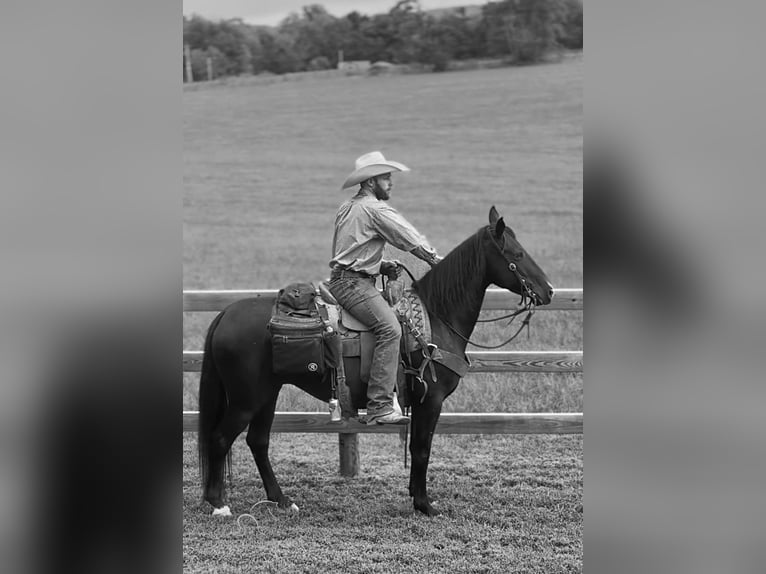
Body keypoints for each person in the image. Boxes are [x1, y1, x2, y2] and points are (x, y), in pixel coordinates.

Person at [328, 151, 442, 425]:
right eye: (385, 177)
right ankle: (379, 405)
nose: (391, 182)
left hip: (347, 278)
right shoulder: (375, 209)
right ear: (369, 182)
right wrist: (436, 260)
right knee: (390, 329)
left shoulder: (348, 206)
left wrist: (380, 266)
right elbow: (408, 238)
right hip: (353, 284)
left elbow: (351, 251)